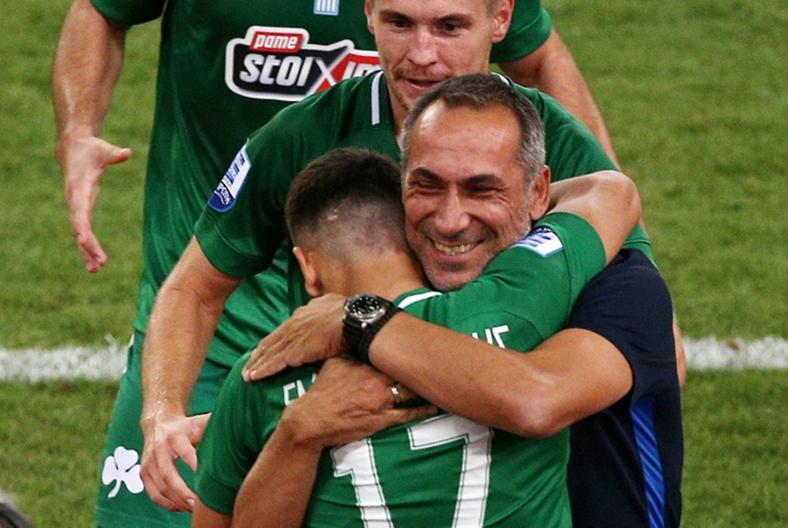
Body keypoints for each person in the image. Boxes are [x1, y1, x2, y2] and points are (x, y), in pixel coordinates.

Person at [52, 0, 620, 525]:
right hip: (283, 373)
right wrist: (161, 411)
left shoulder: (546, 137)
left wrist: (362, 325)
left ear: (501, 19)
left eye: (448, 28)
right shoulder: (302, 134)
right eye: (400, 24)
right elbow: (194, 287)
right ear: (368, 13)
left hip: (472, 386)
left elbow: (623, 290)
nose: (422, 54)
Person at [236, 75, 682, 526]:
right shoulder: (402, 292)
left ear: (539, 192)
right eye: (427, 186)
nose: (450, 221)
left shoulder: (619, 287)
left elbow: (537, 399)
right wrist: (285, 427)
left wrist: (358, 320)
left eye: (482, 189)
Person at [192, 139, 627, 526]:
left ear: (308, 266)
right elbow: (611, 190)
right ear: (412, 233)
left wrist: (294, 435)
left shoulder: (262, 373)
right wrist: (514, 196)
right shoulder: (517, 301)